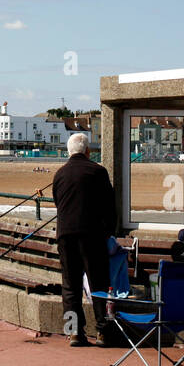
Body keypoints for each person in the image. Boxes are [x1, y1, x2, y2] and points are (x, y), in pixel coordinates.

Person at [52, 132, 115, 347]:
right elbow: (110, 206)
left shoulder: (60, 174)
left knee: (70, 286)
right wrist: (108, 232)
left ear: (69, 152)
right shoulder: (98, 171)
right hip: (92, 236)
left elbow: (58, 203)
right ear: (88, 151)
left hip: (66, 236)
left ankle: (74, 333)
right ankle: (102, 332)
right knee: (99, 284)